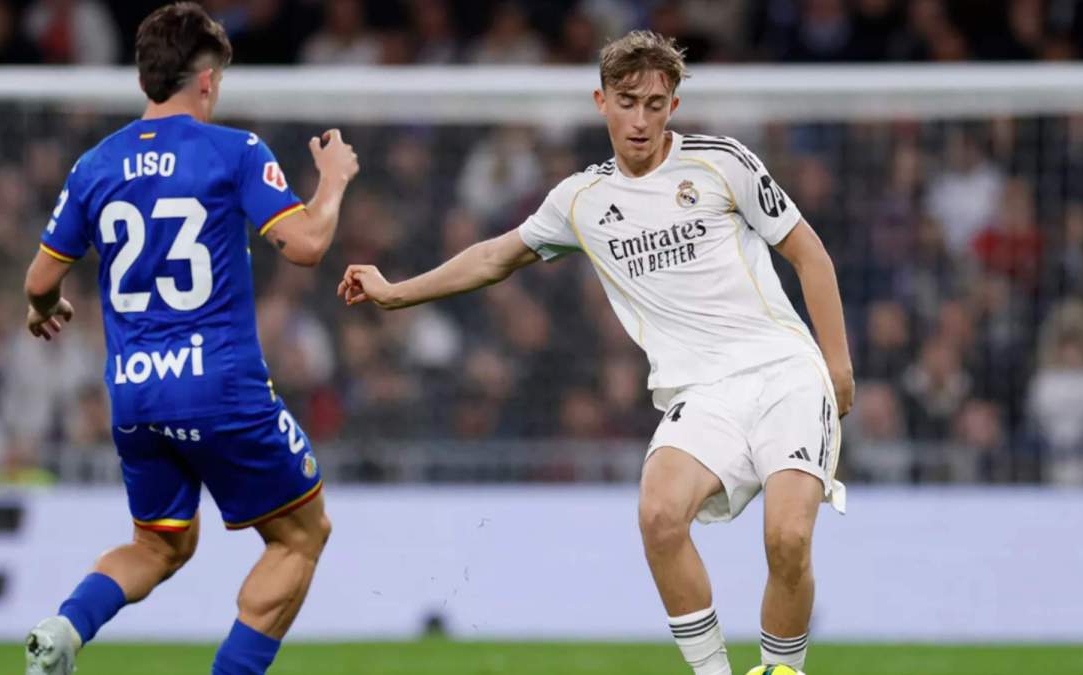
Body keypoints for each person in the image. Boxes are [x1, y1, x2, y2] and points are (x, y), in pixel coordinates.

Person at [339, 30, 853, 675]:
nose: (641, 120)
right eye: (628, 101)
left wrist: (836, 364)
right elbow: (497, 255)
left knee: (787, 538)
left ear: (674, 107)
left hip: (785, 374)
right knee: (659, 516)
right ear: (600, 101)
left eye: (656, 104)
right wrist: (395, 294)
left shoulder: (722, 162)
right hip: (702, 393)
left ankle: (783, 669)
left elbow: (809, 252)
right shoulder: (580, 200)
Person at [21, 3, 359, 674]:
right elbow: (307, 245)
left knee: (159, 545)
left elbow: (38, 280)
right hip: (220, 388)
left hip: (136, 397)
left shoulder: (95, 165)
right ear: (206, 81)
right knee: (300, 535)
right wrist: (334, 181)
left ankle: (62, 629)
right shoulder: (233, 152)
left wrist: (45, 307)